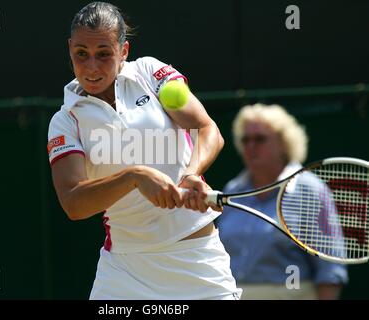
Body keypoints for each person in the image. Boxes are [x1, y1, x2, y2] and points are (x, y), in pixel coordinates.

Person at [47, 2, 242, 300]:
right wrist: (134, 176)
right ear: (70, 49)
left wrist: (191, 173)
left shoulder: (150, 74)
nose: (91, 67)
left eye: (104, 54)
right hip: (124, 273)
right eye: (81, 54)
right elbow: (74, 202)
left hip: (197, 262)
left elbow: (206, 129)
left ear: (123, 51)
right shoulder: (65, 121)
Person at [215, 103, 349, 300]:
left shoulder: (310, 190)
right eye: (245, 140)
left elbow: (330, 269)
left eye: (260, 139)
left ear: (283, 143)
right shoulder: (233, 190)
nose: (250, 146)